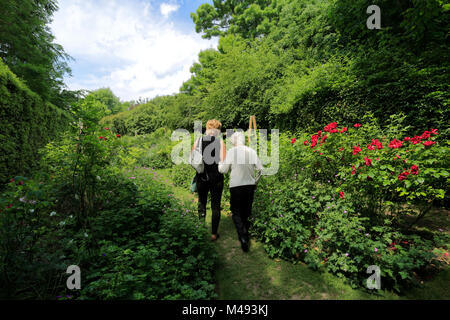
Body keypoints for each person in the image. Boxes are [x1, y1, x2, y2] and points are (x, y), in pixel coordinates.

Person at [219, 131, 263, 252]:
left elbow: (223, 170)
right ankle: (245, 233)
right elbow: (260, 170)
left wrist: (219, 163)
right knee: (246, 212)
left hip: (236, 186)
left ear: (234, 141)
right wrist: (255, 183)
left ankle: (243, 236)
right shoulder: (252, 151)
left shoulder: (231, 152)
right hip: (249, 185)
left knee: (236, 212)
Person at [192, 119, 226, 241]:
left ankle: (201, 229)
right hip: (216, 179)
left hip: (202, 177)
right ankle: (213, 234)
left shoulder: (198, 141)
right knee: (215, 205)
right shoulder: (221, 143)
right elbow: (224, 164)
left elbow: (193, 160)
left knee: (202, 202)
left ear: (207, 129)